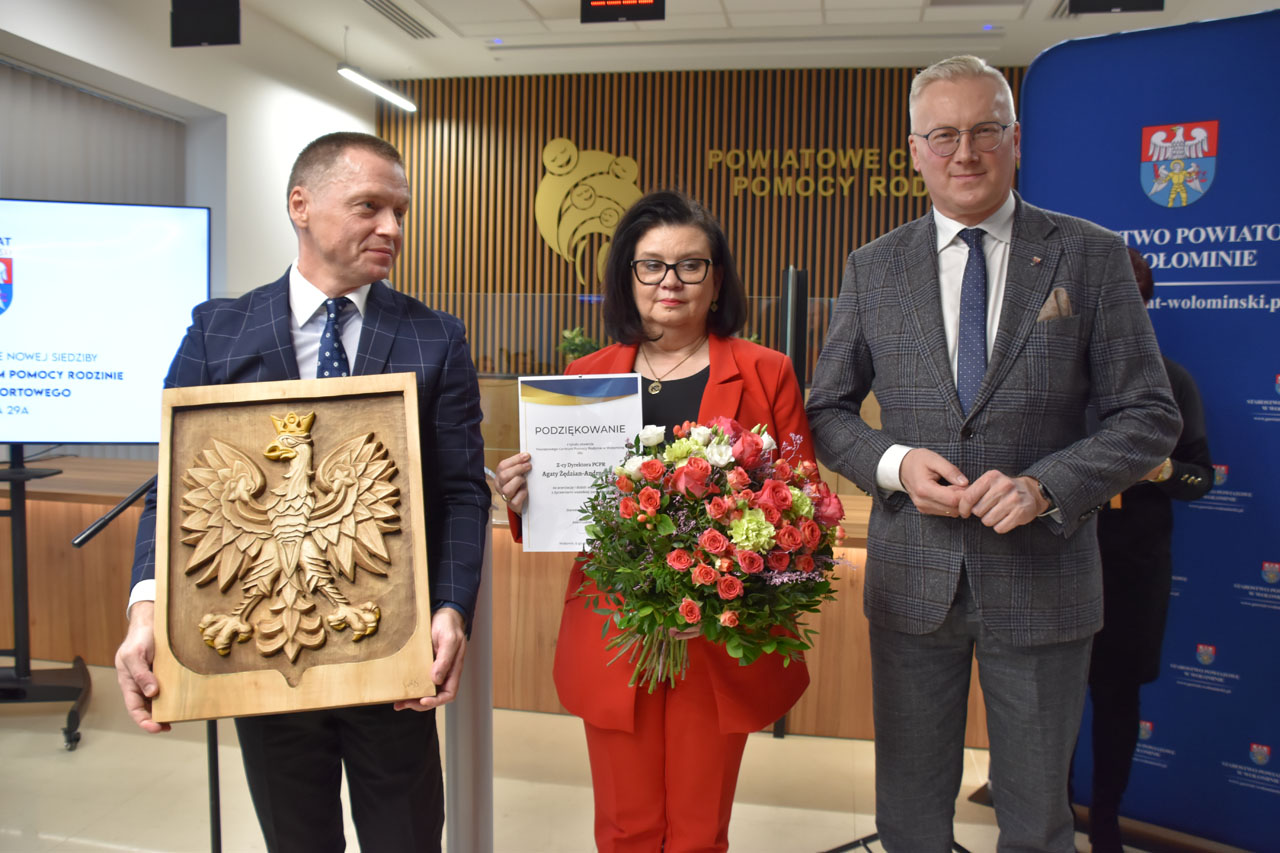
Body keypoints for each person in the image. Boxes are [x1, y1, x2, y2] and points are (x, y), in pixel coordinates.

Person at [805, 55, 1182, 852]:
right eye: (943, 135)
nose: (965, 152)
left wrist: (1047, 485)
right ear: (915, 151)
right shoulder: (873, 267)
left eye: (984, 131)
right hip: (914, 580)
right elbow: (827, 411)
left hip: (1045, 578)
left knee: (1039, 824)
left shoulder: (1090, 255)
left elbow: (1150, 414)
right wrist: (896, 464)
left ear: (1016, 139)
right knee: (909, 818)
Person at [112, 131, 489, 853]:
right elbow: (174, 490)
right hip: (259, 660)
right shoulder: (219, 332)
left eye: (401, 211)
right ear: (301, 205)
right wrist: (147, 607)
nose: (392, 228)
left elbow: (462, 494)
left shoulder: (435, 338)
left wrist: (451, 610)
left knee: (407, 838)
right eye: (369, 206)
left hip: (389, 652)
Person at [495, 189, 813, 853]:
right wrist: (527, 497)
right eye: (652, 265)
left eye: (691, 265)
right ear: (628, 276)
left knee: (699, 831)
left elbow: (801, 503)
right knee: (625, 828)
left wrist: (737, 574)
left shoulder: (766, 372)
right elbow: (567, 510)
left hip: (718, 627)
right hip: (616, 625)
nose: (671, 281)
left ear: (717, 279)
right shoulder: (585, 376)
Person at [1082, 248, 1213, 852]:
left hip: (1134, 569)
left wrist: (1158, 470)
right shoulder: (1059, 375)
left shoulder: (1171, 380)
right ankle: (1047, 817)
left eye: (1130, 300)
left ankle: (1106, 823)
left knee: (1117, 700)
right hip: (1056, 560)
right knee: (1047, 699)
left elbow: (1200, 477)